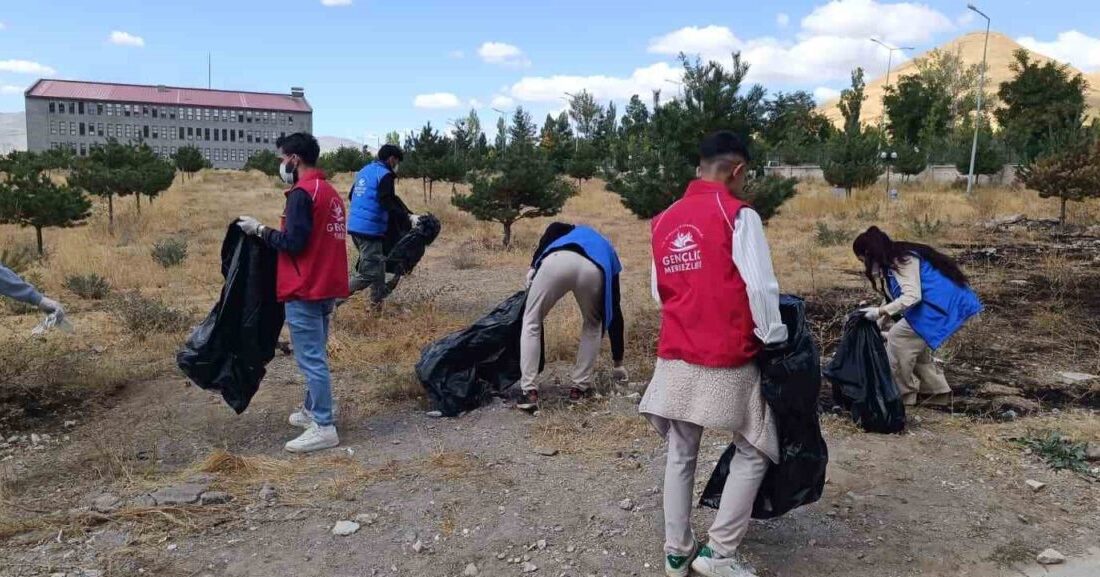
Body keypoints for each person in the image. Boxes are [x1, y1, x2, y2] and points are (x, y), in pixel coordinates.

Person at [640, 131, 787, 577]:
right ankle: (718, 554)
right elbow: (761, 287)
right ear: (737, 170)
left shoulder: (663, 219)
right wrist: (774, 337)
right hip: (726, 353)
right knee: (756, 445)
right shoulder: (738, 215)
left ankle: (676, 553)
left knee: (681, 450)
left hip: (676, 353)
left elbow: (658, 292)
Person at [237, 132, 349, 453]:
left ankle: (324, 426)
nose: (281, 164)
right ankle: (313, 410)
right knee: (317, 353)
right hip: (326, 284)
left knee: (310, 358)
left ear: (294, 159)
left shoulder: (302, 194)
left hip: (305, 286)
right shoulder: (328, 191)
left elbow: (294, 243)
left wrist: (260, 230)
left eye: (282, 158)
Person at [852, 226, 982, 407]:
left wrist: (880, 312)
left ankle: (901, 395)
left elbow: (912, 297)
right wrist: (878, 321)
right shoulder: (892, 261)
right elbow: (894, 297)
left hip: (943, 306)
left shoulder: (902, 260)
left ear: (869, 253)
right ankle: (936, 393)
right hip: (939, 304)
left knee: (898, 338)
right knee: (912, 344)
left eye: (863, 260)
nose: (865, 266)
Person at [517, 222, 627, 410]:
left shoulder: (567, 231)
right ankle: (579, 389)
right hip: (593, 269)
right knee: (593, 324)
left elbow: (552, 227)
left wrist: (534, 265)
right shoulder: (608, 249)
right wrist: (618, 362)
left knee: (532, 321)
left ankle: (529, 392)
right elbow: (614, 308)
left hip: (557, 261)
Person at [346, 144, 419, 307]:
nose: (397, 165)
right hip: (369, 231)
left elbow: (352, 195)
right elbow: (387, 201)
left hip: (355, 228)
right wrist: (407, 217)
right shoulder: (385, 175)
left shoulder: (364, 171)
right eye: (397, 161)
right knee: (369, 274)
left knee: (378, 268)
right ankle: (333, 300)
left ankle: (376, 308)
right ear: (391, 159)